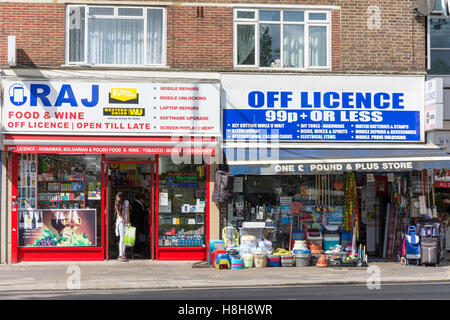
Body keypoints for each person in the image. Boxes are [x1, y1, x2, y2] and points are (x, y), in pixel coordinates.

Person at [131, 193, 149, 257]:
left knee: (138, 237)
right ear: (141, 199)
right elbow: (139, 214)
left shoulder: (141, 204)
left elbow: (144, 208)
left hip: (139, 224)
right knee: (136, 238)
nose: (144, 201)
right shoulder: (135, 204)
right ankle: (136, 252)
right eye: (143, 199)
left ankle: (138, 251)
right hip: (136, 223)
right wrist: (146, 211)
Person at [115, 192, 130, 262]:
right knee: (122, 238)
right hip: (120, 222)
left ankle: (123, 254)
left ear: (121, 197)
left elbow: (128, 212)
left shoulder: (126, 202)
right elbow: (120, 215)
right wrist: (126, 222)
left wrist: (129, 221)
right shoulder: (117, 204)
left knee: (125, 238)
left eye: (117, 197)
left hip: (126, 221)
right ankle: (120, 255)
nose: (116, 198)